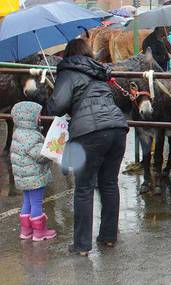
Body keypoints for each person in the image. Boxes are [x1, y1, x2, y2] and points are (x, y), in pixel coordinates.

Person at [46, 39, 129, 257]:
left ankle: (82, 245)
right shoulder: (98, 71)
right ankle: (108, 237)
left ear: (68, 54)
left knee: (84, 188)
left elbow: (57, 106)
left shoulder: (68, 71)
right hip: (117, 129)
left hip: (89, 133)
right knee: (109, 184)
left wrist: (53, 91)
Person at [10, 101, 56, 241]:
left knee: (27, 203)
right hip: (35, 177)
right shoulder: (33, 136)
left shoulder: (17, 133)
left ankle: (26, 230)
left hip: (23, 177)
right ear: (29, 118)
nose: (40, 118)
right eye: (38, 116)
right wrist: (51, 152)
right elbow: (40, 156)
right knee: (36, 203)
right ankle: (39, 232)